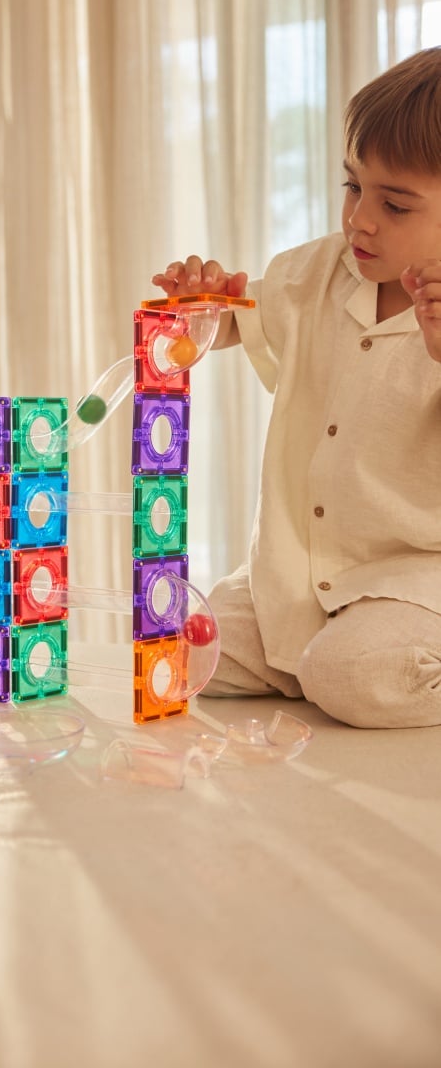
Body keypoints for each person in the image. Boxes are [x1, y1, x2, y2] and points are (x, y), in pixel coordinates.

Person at [151, 46, 441, 729]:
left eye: (395, 205)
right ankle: (314, 660)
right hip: (299, 569)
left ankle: (332, 663)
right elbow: (240, 319)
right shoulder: (319, 272)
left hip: (416, 577)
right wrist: (201, 310)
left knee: (352, 674)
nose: (359, 219)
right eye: (353, 187)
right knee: (180, 649)